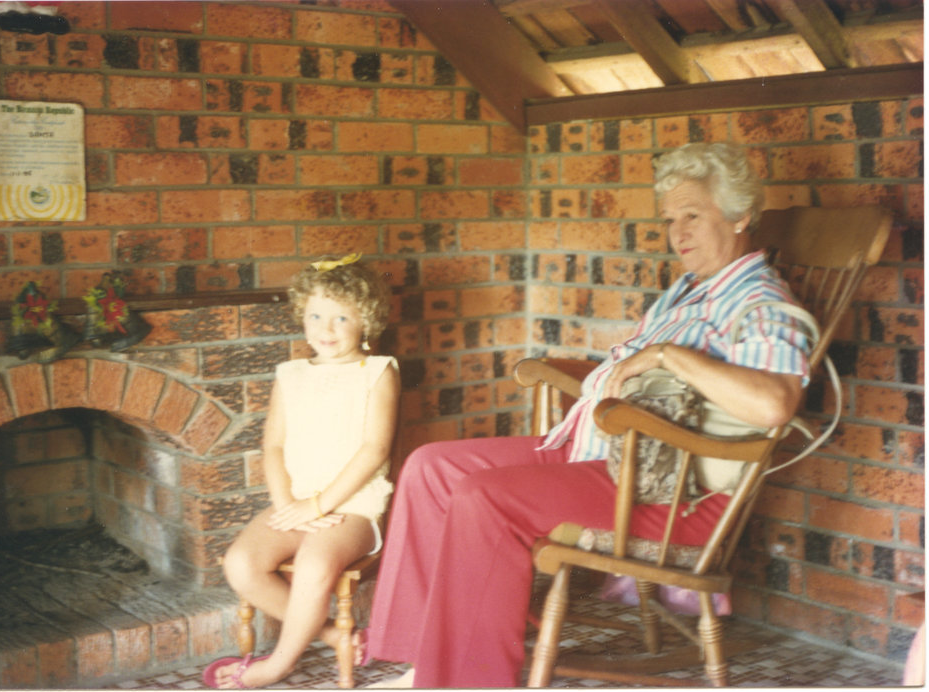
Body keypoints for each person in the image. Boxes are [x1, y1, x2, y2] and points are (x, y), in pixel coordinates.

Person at [365, 142, 815, 688]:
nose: (679, 233)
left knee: (484, 497)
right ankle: (425, 662)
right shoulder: (687, 291)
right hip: (601, 450)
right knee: (432, 467)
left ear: (741, 215)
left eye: (692, 215)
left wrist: (669, 355)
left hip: (668, 493)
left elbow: (774, 403)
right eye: (671, 219)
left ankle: (465, 679)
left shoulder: (761, 302)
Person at [203, 254, 400, 689]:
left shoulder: (378, 373)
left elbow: (374, 450)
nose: (325, 329)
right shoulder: (290, 374)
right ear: (301, 315)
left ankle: (279, 665)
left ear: (365, 320)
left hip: (353, 508)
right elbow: (272, 445)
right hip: (296, 503)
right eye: (315, 315)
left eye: (341, 317)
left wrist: (318, 505)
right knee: (241, 563)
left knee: (313, 564)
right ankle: (334, 635)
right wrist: (287, 505)